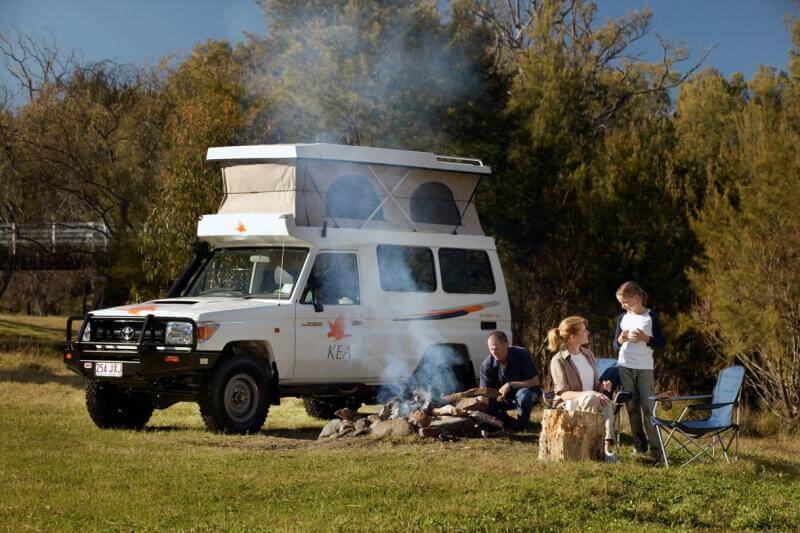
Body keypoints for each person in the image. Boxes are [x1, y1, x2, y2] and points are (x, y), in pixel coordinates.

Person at [547, 316, 617, 463]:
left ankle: (605, 451)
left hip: (590, 400)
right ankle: (586, 449)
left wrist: (602, 386)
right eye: (584, 331)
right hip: (568, 404)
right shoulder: (558, 360)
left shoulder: (588, 354)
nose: (588, 333)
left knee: (606, 402)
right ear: (573, 337)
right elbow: (563, 394)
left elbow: (595, 386)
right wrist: (591, 393)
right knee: (592, 398)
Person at [613, 281, 665, 458]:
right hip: (624, 366)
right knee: (632, 408)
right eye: (620, 302)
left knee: (648, 409)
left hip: (644, 368)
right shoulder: (622, 318)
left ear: (636, 298)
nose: (622, 306)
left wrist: (646, 338)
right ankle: (639, 445)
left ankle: (656, 449)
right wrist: (620, 340)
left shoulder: (651, 316)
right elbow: (614, 344)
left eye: (625, 302)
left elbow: (661, 342)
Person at [479, 331, 541, 431]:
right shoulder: (486, 365)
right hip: (502, 399)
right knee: (488, 403)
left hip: (526, 396)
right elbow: (485, 393)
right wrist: (479, 407)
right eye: (491, 349)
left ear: (506, 344)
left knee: (524, 395)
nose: (493, 352)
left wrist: (510, 385)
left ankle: (523, 425)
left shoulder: (522, 354)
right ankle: (510, 423)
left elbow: (535, 382)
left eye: (496, 349)